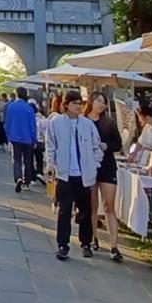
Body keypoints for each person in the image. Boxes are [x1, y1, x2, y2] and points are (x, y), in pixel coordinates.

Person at [46, 89, 103, 260]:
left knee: (85, 211)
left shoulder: (87, 125)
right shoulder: (56, 123)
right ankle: (63, 244)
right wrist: (51, 164)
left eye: (80, 103)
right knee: (64, 211)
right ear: (66, 105)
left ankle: (86, 243)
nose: (78, 106)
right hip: (65, 174)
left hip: (84, 175)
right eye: (74, 103)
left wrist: (94, 165)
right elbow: (51, 145)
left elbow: (97, 147)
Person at [88, 94, 125, 263]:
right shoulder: (84, 122)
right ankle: (93, 238)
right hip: (89, 166)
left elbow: (118, 144)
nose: (102, 105)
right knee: (92, 205)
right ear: (91, 102)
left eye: (104, 102)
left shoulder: (109, 123)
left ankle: (114, 245)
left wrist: (107, 146)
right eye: (99, 101)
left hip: (107, 165)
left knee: (109, 205)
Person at [4, 87, 38, 193]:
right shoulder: (29, 108)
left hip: (15, 136)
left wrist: (8, 135)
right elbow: (33, 125)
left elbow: (7, 123)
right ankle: (26, 182)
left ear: (17, 94)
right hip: (27, 137)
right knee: (28, 161)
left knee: (17, 159)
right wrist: (34, 139)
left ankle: (18, 177)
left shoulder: (11, 106)